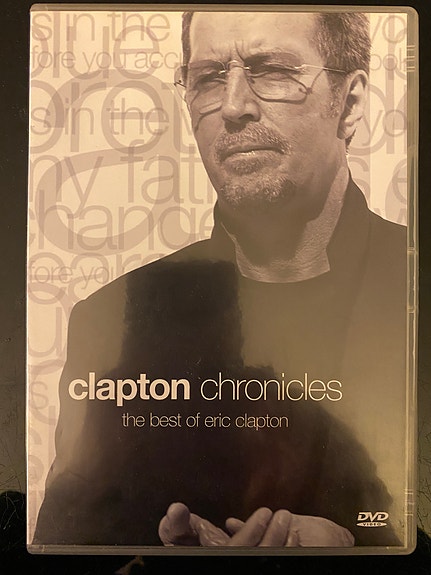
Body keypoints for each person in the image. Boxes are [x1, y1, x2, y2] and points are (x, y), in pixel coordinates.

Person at [33, 10, 407, 549]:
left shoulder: (415, 286)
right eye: (208, 78)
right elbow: (64, 551)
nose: (233, 106)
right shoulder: (111, 318)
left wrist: (360, 553)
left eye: (271, 70)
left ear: (348, 104)